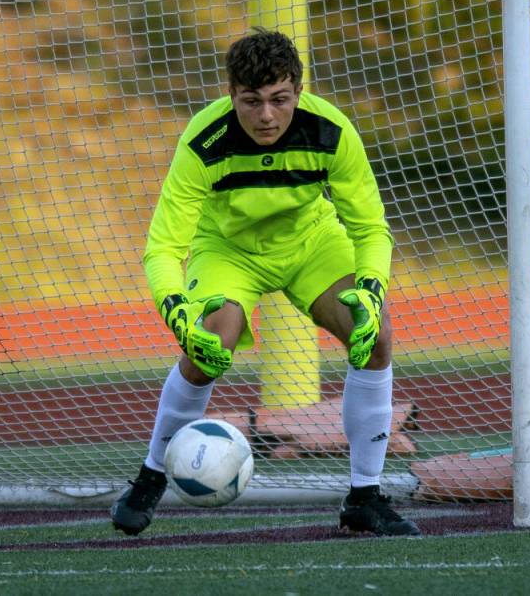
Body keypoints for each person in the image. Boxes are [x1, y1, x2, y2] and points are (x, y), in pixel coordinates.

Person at [110, 28, 420, 537]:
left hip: (311, 243)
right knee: (210, 344)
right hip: (228, 250)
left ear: (299, 91)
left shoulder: (331, 131)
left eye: (279, 100)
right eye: (251, 102)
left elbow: (370, 228)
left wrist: (371, 287)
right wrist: (174, 309)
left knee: (376, 332)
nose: (267, 116)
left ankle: (365, 496)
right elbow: (163, 247)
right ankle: (150, 477)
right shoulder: (203, 141)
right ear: (231, 94)